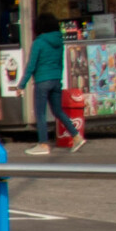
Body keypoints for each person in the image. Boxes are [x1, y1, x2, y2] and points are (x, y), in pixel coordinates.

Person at [24, 14, 81, 155]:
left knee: (41, 113)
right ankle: (77, 136)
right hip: (56, 80)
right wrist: (58, 79)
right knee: (58, 111)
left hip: (42, 80)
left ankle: (43, 144)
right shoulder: (59, 41)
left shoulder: (39, 42)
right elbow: (60, 63)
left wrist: (21, 84)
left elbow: (31, 65)